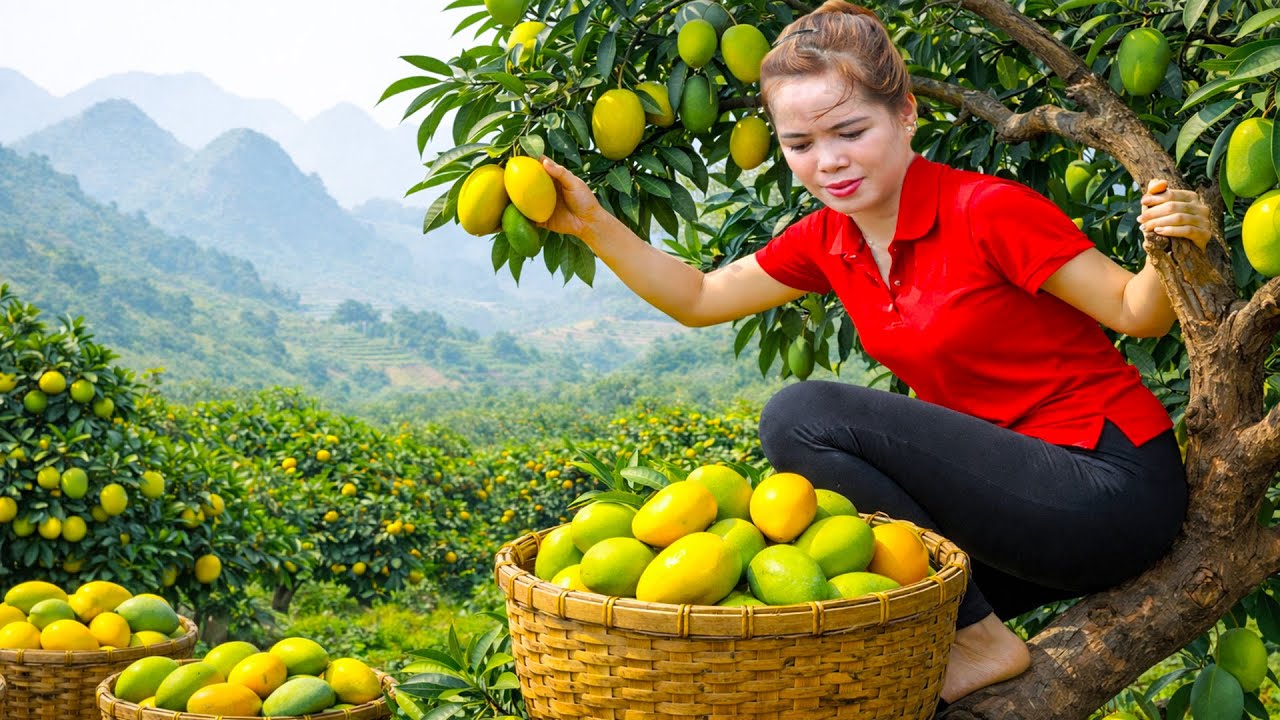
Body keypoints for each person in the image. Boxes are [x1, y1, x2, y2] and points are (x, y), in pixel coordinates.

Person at [535, 0, 1212, 705]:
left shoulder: (985, 209)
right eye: (799, 144)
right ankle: (959, 645)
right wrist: (590, 223)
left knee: (802, 413)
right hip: (1010, 515)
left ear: (906, 115)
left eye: (850, 131)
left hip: (1104, 488)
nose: (828, 162)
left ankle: (975, 639)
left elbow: (1135, 313)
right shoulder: (828, 239)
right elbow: (700, 298)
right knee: (816, 608)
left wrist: (1172, 245)